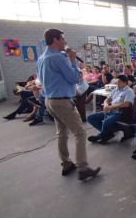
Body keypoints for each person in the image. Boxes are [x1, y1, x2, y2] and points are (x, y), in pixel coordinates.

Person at [37, 29, 100, 180]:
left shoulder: (42, 58)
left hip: (49, 100)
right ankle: (83, 168)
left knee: (62, 133)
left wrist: (67, 57)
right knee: (80, 132)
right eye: (63, 39)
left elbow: (42, 78)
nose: (65, 42)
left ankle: (66, 163)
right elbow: (73, 78)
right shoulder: (58, 58)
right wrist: (72, 60)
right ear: (55, 39)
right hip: (62, 101)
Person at [87, 75, 135, 144]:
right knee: (91, 118)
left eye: (119, 82)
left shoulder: (129, 91)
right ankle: (107, 134)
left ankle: (100, 136)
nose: (117, 83)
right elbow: (108, 99)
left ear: (125, 83)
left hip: (120, 113)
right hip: (111, 111)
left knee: (106, 122)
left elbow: (126, 104)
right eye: (116, 82)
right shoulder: (116, 89)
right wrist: (106, 104)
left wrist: (111, 107)